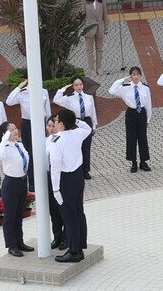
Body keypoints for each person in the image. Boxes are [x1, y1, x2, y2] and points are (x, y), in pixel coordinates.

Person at [49, 109, 92, 263]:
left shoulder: (56, 140)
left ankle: (74, 251)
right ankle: (79, 247)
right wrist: (76, 121)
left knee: (70, 216)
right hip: (78, 177)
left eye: (57, 119)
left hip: (65, 180)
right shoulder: (77, 133)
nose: (54, 121)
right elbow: (88, 128)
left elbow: (55, 167)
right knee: (79, 213)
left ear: (61, 124)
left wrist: (55, 189)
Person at [0, 122, 34, 257]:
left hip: (22, 182)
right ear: (5, 134)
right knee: (10, 217)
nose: (15, 131)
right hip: (11, 184)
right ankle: (12, 245)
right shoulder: (4, 148)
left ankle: (19, 242)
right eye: (11, 130)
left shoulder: (19, 145)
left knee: (18, 215)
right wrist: (4, 139)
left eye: (15, 128)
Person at [4, 79, 51, 191]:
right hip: (27, 123)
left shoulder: (43, 91)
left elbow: (47, 109)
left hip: (40, 122)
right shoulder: (22, 92)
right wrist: (19, 87)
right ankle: (32, 181)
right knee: (29, 151)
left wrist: (48, 126)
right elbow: (9, 101)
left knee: (40, 150)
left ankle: (43, 178)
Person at [108, 67, 152, 173]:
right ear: (130, 76)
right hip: (131, 113)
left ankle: (143, 162)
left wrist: (148, 119)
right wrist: (122, 79)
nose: (136, 76)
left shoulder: (145, 88)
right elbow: (111, 90)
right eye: (133, 74)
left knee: (142, 138)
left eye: (137, 74)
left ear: (140, 75)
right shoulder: (125, 87)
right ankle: (133, 162)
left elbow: (149, 104)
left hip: (142, 113)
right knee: (131, 138)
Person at [53, 77, 97, 180]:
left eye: (80, 84)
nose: (79, 87)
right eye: (76, 85)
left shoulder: (88, 96)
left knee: (86, 147)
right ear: (72, 86)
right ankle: (78, 170)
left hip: (86, 121)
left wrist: (94, 126)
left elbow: (93, 111)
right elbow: (56, 100)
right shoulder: (69, 98)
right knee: (76, 147)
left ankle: (86, 170)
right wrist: (63, 89)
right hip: (75, 122)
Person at [44, 117, 65, 251]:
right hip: (49, 175)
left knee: (63, 207)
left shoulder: (63, 140)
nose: (50, 129)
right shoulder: (46, 141)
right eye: (49, 126)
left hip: (62, 175)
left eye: (53, 126)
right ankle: (57, 236)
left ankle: (66, 238)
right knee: (53, 209)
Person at [83, 0, 109, 76]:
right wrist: (83, 28)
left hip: (99, 27)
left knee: (99, 49)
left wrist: (106, 27)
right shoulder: (85, 1)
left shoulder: (102, 0)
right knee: (89, 50)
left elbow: (105, 15)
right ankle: (92, 68)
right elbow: (82, 16)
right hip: (89, 28)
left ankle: (99, 67)